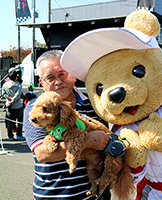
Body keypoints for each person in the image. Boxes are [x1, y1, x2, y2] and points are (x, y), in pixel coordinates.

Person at [23, 50, 115, 200]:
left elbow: (105, 139)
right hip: (54, 194)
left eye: (62, 74)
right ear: (42, 83)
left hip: (96, 193)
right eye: (50, 78)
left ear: (73, 75)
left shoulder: (94, 103)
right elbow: (42, 154)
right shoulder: (36, 108)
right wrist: (88, 141)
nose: (58, 82)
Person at [2, 68, 25, 141]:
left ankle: (10, 136)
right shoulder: (18, 85)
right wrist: (13, 100)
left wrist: (9, 99)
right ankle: (19, 135)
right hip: (17, 105)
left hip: (9, 105)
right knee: (20, 120)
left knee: (9, 121)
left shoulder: (5, 84)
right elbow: (18, 95)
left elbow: (3, 93)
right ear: (16, 77)